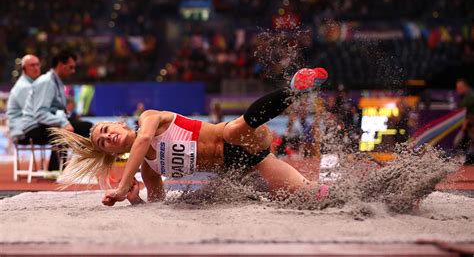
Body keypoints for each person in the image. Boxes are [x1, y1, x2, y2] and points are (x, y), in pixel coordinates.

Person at [50, 67, 329, 206]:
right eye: (102, 142)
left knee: (233, 129)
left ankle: (295, 88)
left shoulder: (149, 119)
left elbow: (144, 141)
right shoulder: (148, 169)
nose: (107, 137)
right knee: (308, 196)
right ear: (111, 153)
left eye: (106, 130)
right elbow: (158, 204)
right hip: (245, 166)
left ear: (122, 125)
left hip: (244, 137)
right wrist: (135, 198)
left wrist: (122, 186)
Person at [22, 49, 93, 171]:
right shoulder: (47, 82)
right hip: (33, 128)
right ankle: (82, 168)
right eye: (70, 67)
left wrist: (66, 120)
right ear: (61, 65)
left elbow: (56, 111)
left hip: (44, 125)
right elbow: (40, 113)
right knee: (86, 128)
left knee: (78, 125)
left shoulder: (57, 82)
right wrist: (63, 122)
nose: (73, 71)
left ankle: (57, 169)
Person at [6, 54, 41, 142]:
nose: (36, 68)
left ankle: (56, 156)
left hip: (27, 128)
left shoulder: (32, 84)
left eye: (37, 64)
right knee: (59, 131)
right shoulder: (24, 87)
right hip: (22, 132)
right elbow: (36, 112)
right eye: (32, 65)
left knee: (60, 129)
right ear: (24, 69)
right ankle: (58, 156)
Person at [455, 78, 474, 164]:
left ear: (465, 87)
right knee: (459, 142)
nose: (457, 90)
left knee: (458, 141)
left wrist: (468, 121)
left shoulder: (471, 96)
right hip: (468, 125)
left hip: (470, 125)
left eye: (459, 88)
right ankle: (463, 160)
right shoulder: (467, 96)